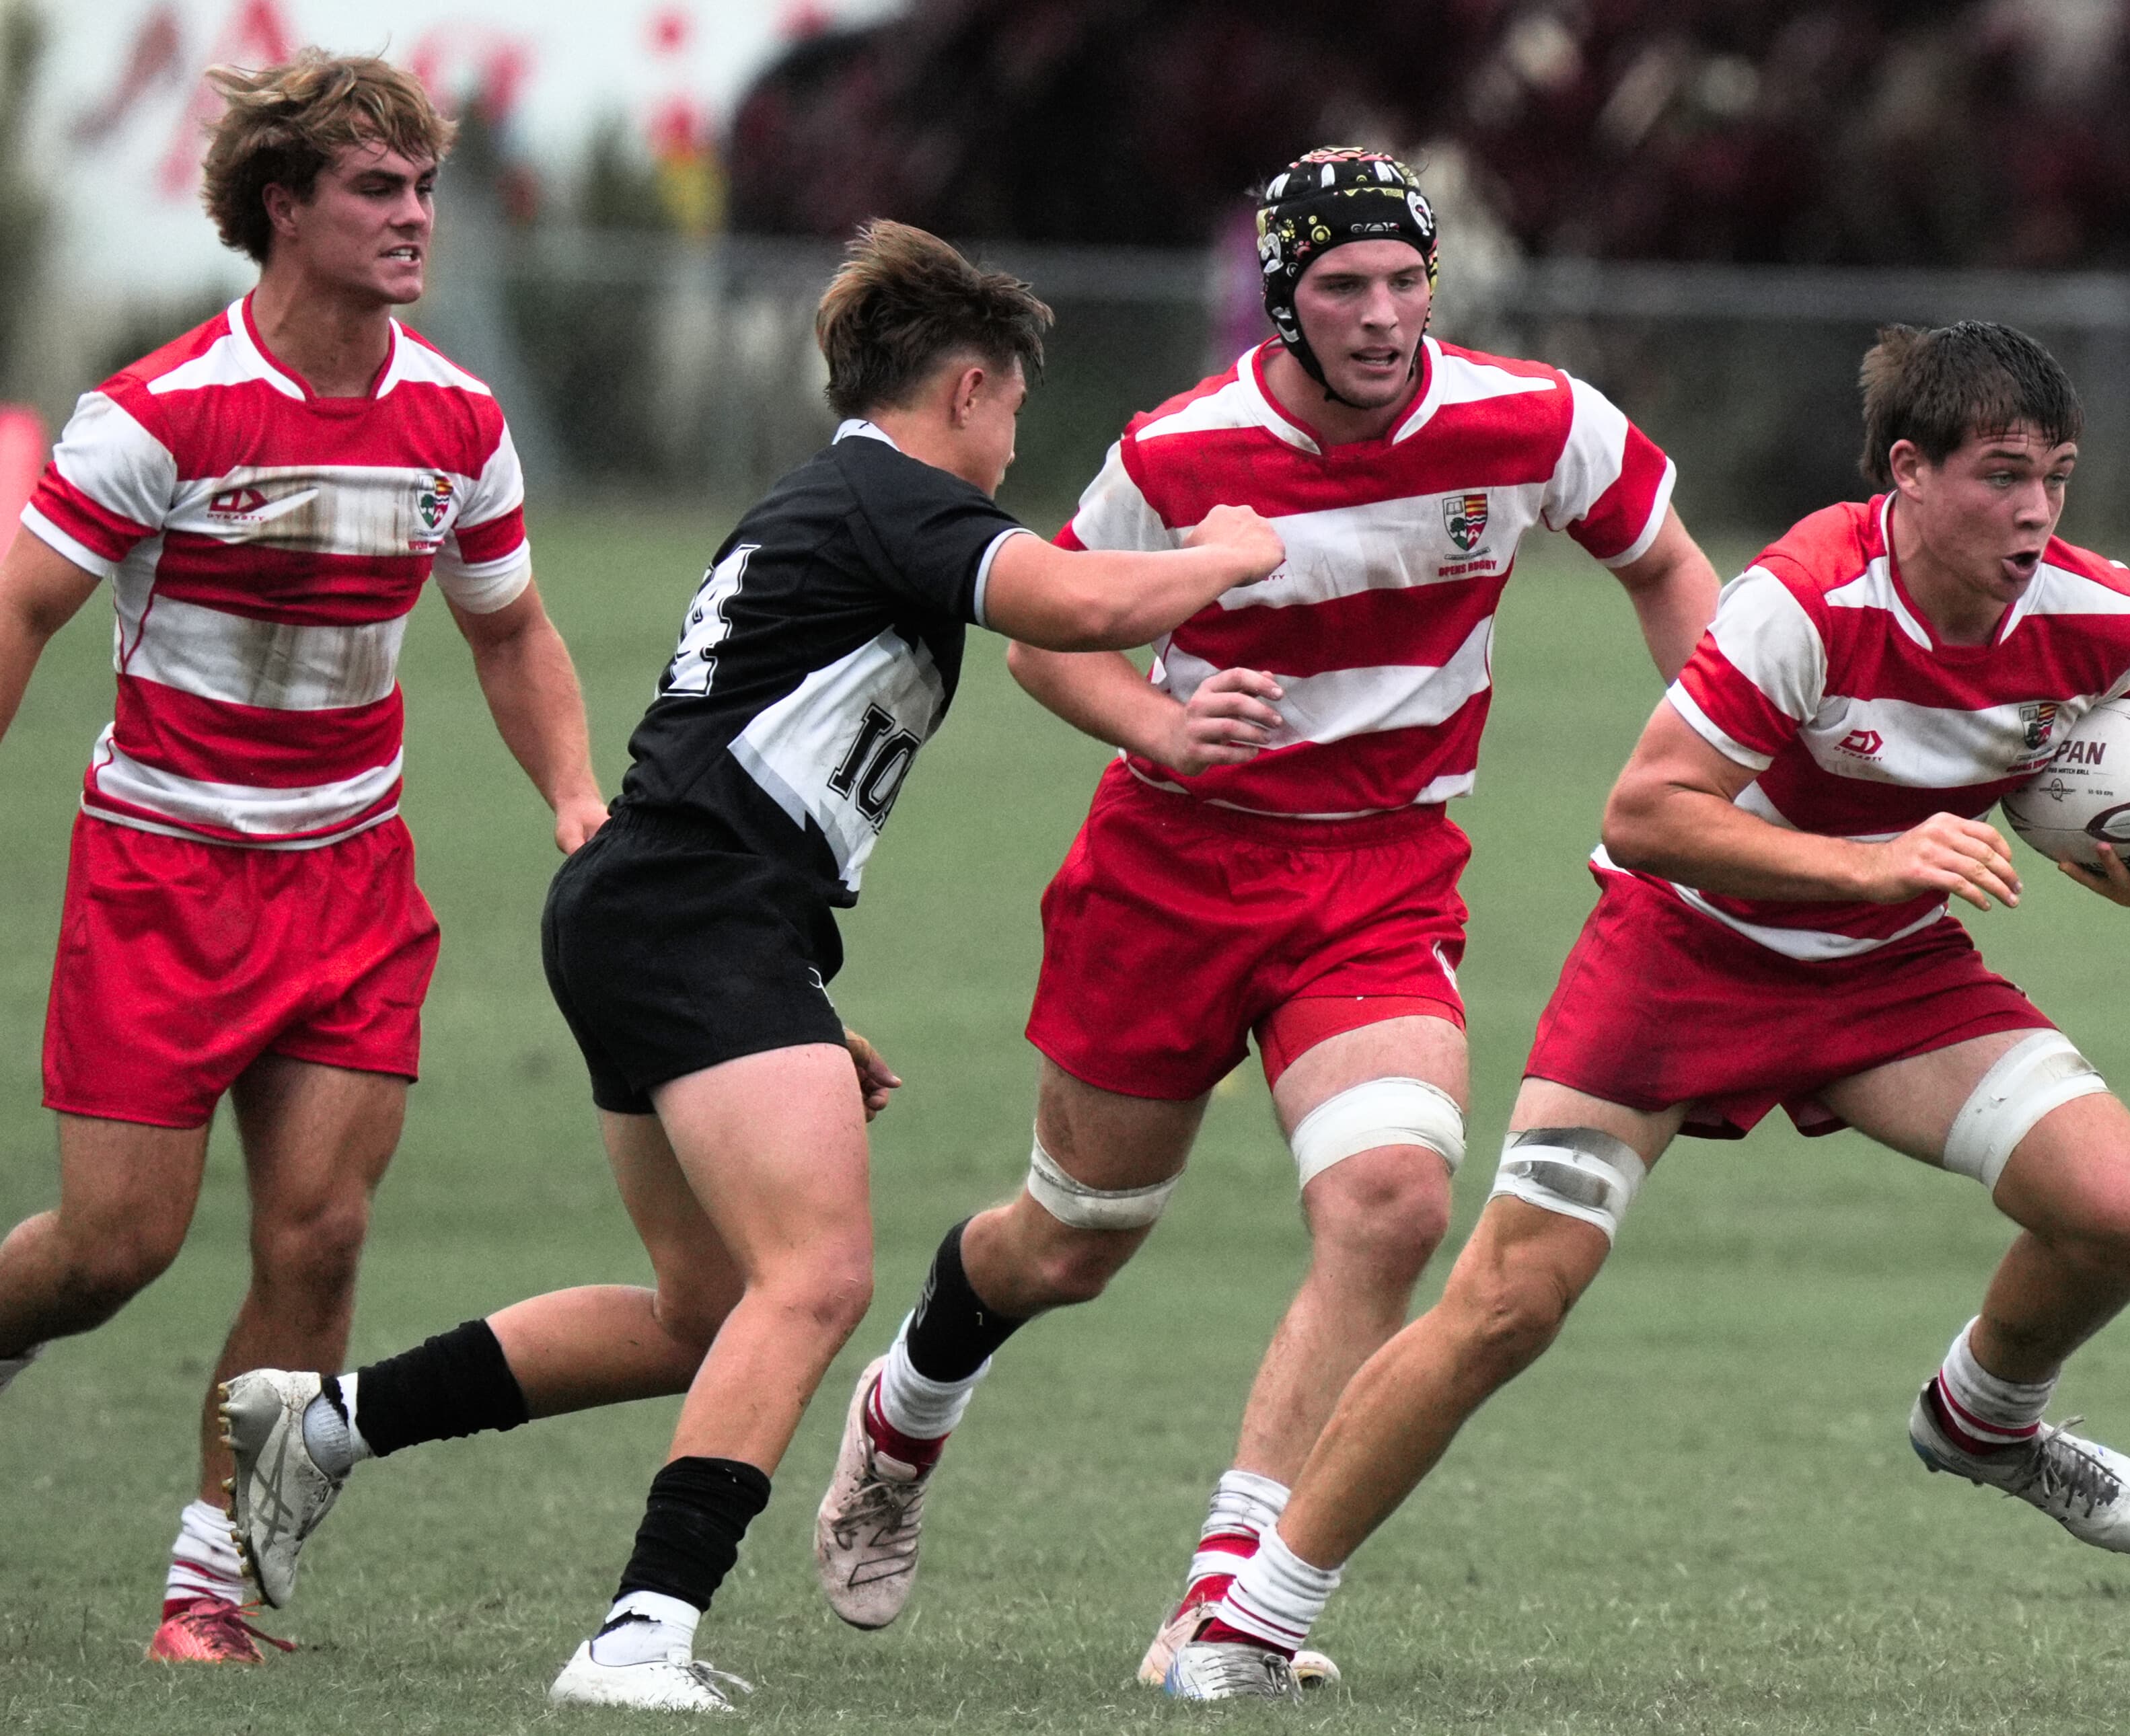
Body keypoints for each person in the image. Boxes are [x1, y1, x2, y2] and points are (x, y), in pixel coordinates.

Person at [219, 217, 1287, 1712]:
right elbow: (1083, 606)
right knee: (819, 1276)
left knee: (702, 1310)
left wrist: (787, 1008)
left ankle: (326, 1426)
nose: (1010, 447)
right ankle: (640, 1630)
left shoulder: (841, 503)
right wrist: (1230, 550)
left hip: (675, 914)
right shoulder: (891, 494)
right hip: (686, 915)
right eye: (1016, 414)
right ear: (970, 390)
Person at [1161, 319, 2130, 1699]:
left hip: (1887, 973)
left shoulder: (2094, 613)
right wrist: (1870, 860)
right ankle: (1247, 1623)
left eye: (2055, 474)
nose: (2035, 509)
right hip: (1681, 956)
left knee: (2121, 1211)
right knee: (1508, 1301)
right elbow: (1647, 811)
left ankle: (1982, 1421)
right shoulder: (1801, 600)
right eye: (1998, 474)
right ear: (1907, 474)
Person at [814, 146, 1721, 1688]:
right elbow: (1048, 640)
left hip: (1381, 872)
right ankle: (905, 1413)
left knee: (1392, 1200)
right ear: (1282, 304)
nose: (1379, 315)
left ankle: (1225, 1599)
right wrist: (1159, 729)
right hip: (1173, 869)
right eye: (1340, 286)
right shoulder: (1180, 454)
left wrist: (1731, 765)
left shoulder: (1536, 421)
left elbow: (1669, 566)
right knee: (1073, 1239)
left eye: (1403, 280)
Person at [0, 52, 605, 1666]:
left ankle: (205, 1584)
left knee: (321, 1237)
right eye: (376, 190)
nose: (415, 218)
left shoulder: (457, 417)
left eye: (423, 188)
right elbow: (21, 610)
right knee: (110, 1252)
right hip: (159, 877)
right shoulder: (157, 412)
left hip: (349, 880)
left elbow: (513, 629)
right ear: (284, 207)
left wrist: (573, 795)